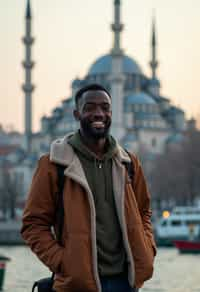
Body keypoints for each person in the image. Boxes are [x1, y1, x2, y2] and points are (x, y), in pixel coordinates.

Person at [21, 84, 156, 292]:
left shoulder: (128, 163)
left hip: (125, 283)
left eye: (104, 107)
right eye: (90, 107)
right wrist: (64, 263)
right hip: (78, 284)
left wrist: (147, 250)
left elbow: (144, 211)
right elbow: (33, 224)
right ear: (77, 114)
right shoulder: (54, 164)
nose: (98, 113)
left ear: (112, 112)